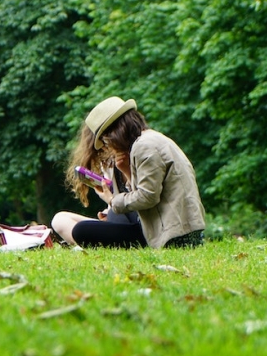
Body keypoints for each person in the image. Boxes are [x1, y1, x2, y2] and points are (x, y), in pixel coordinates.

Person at [52, 96, 205, 249]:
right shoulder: (149, 140)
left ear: (115, 131)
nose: (108, 146)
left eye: (105, 140)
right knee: (89, 220)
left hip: (175, 236)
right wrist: (125, 169)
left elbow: (148, 197)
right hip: (172, 229)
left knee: (81, 231)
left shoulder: (144, 146)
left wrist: (112, 200)